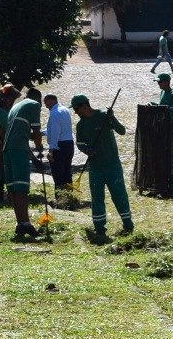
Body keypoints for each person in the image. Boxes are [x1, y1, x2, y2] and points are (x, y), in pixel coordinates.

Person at [73, 94, 134, 240]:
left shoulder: (103, 116)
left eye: (76, 109)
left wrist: (112, 117)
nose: (75, 112)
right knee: (97, 198)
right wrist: (88, 150)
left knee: (119, 195)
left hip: (112, 165)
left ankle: (128, 224)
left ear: (85, 106)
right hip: (95, 168)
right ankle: (99, 228)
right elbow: (80, 143)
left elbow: (122, 131)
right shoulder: (80, 125)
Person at [1, 88, 44, 240]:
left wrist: (33, 158)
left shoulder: (16, 107)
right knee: (22, 188)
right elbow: (36, 131)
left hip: (7, 149)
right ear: (38, 98)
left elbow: (21, 134)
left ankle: (20, 223)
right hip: (18, 150)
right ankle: (26, 223)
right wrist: (39, 147)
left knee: (13, 189)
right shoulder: (34, 104)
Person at [155, 73, 173, 197]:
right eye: (158, 82)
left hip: (172, 131)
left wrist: (161, 118)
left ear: (167, 82)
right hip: (163, 131)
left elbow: (172, 115)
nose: (158, 84)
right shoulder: (162, 93)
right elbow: (162, 107)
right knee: (163, 158)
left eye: (160, 82)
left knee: (171, 158)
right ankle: (162, 184)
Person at [44, 93, 75, 191]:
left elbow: (55, 132)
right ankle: (69, 197)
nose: (46, 106)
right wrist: (41, 133)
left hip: (59, 146)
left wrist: (51, 151)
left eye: (46, 103)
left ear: (51, 100)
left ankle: (60, 199)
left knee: (58, 174)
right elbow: (59, 128)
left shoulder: (55, 113)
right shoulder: (65, 110)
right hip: (69, 144)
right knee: (67, 172)